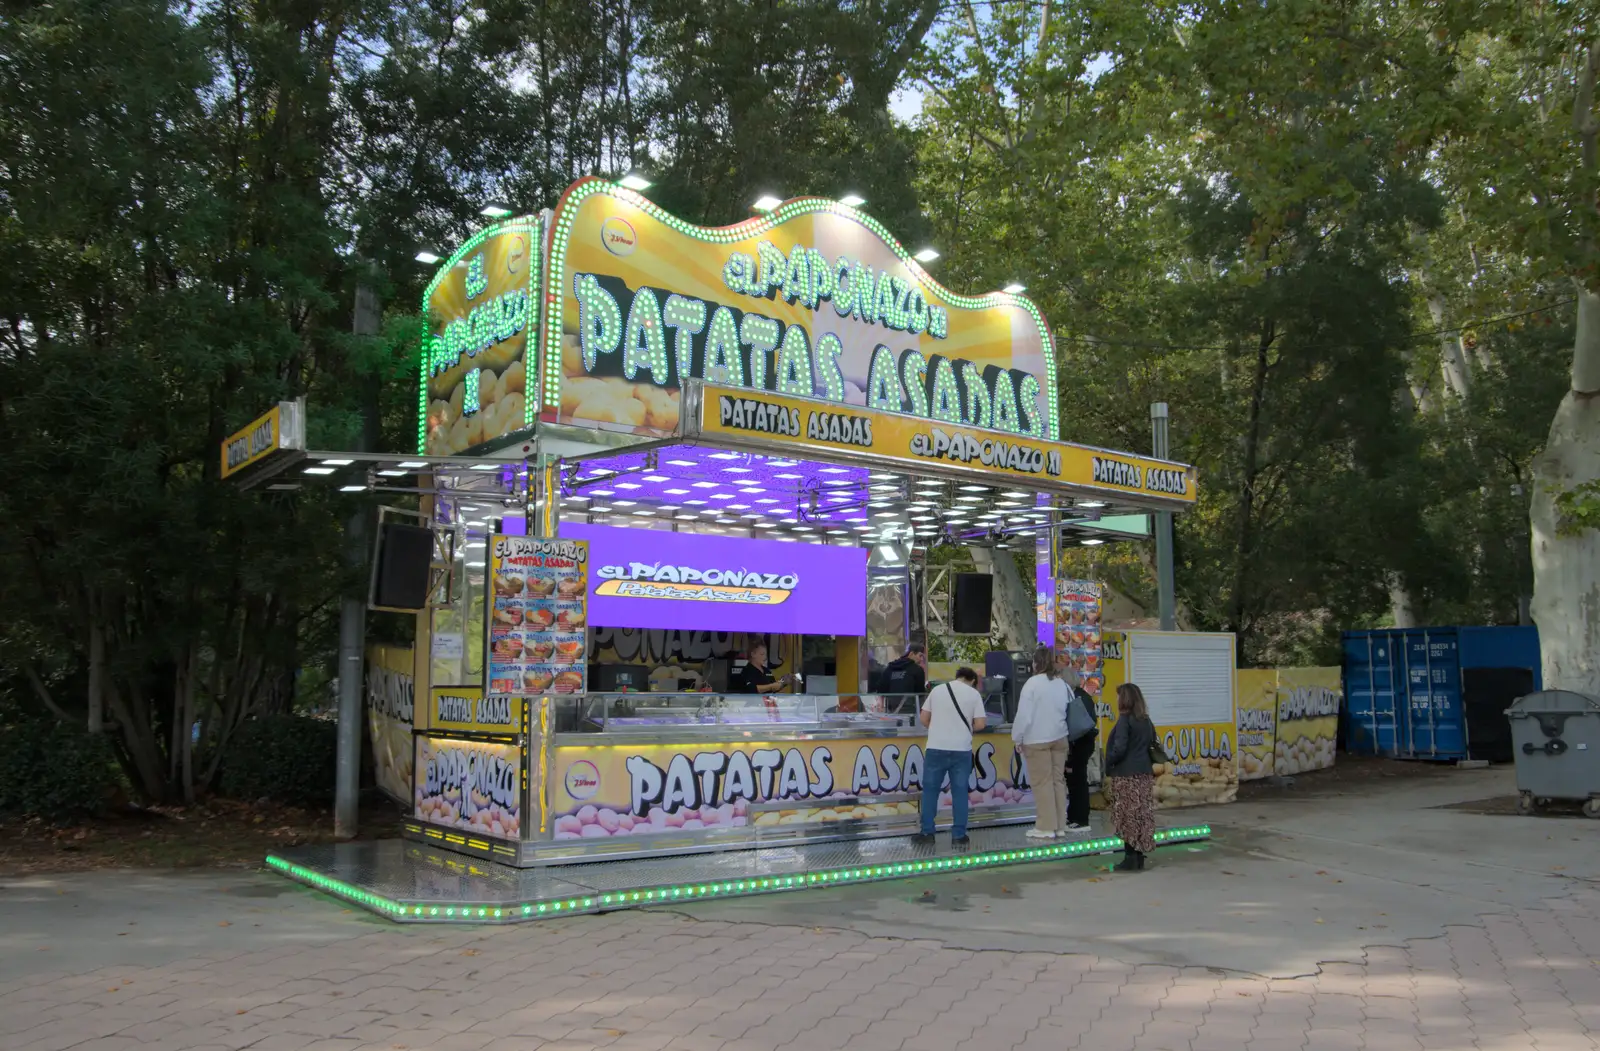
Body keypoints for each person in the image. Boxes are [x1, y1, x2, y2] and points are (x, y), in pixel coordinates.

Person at [912, 666, 986, 848]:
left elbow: (923, 718)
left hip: (936, 747)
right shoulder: (973, 695)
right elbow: (981, 724)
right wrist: (965, 729)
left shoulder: (937, 691)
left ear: (957, 677)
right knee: (959, 791)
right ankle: (959, 835)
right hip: (961, 750)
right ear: (973, 681)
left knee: (930, 791)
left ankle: (927, 832)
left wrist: (939, 729)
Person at [1011, 646, 1071, 839]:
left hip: (1037, 739)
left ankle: (1045, 827)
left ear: (1035, 664)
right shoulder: (1061, 684)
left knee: (1042, 783)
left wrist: (1017, 738)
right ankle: (1060, 825)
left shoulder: (1032, 684)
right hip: (1060, 737)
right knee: (1058, 782)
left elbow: (1024, 716)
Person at [1104, 682, 1157, 872]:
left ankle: (1130, 857)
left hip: (1127, 775)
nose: (1117, 699)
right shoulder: (1145, 720)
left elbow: (1120, 748)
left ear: (1125, 699)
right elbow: (1152, 742)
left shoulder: (1124, 721)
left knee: (1127, 817)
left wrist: (1108, 761)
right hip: (1144, 774)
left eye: (1119, 696)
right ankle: (1139, 856)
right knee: (1141, 815)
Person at [1061, 667, 1099, 832]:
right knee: (1078, 781)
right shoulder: (1085, 697)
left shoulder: (1070, 697)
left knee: (1076, 782)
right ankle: (1075, 816)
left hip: (1076, 744)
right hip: (1086, 743)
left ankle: (1080, 819)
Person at [879, 643, 927, 708]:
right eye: (920, 656)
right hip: (910, 711)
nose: (921, 659)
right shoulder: (917, 670)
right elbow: (921, 695)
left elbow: (882, 691)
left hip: (891, 712)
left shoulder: (889, 668)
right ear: (911, 654)